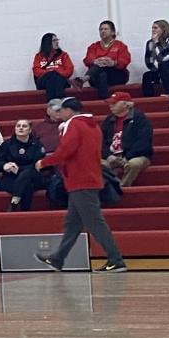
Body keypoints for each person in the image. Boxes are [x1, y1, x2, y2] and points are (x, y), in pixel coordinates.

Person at [37, 97, 128, 272]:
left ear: (69, 111)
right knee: (72, 223)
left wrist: (44, 162)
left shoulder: (74, 124)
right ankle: (57, 259)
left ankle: (116, 259)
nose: (59, 113)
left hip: (81, 180)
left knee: (95, 222)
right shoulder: (92, 125)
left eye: (61, 110)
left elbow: (66, 150)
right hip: (88, 177)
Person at [100, 89, 154, 188]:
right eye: (110, 103)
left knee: (133, 164)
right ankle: (113, 184)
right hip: (112, 155)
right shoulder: (108, 120)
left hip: (136, 155)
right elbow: (101, 141)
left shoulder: (139, 118)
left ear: (125, 104)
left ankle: (122, 186)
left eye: (114, 103)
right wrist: (107, 155)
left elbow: (143, 142)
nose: (111, 106)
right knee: (96, 164)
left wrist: (127, 157)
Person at [0, 117, 48, 210]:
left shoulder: (37, 145)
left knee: (28, 173)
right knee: (27, 185)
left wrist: (19, 170)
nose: (21, 128)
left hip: (33, 176)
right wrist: (4, 166)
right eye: (18, 126)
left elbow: (38, 165)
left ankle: (15, 202)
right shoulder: (7, 144)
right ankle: (23, 210)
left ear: (30, 130)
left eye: (24, 126)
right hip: (11, 177)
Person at [81, 20, 131, 99]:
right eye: (101, 29)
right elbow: (87, 60)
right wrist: (95, 61)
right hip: (97, 76)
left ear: (112, 32)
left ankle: (84, 79)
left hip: (116, 74)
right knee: (101, 72)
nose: (103, 31)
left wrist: (113, 63)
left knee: (101, 71)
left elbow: (125, 60)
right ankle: (105, 99)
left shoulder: (120, 45)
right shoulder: (94, 46)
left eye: (105, 29)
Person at [33, 33, 73, 102]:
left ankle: (52, 102)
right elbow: (36, 71)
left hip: (61, 80)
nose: (57, 42)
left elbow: (69, 70)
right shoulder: (39, 56)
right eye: (54, 40)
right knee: (51, 76)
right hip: (44, 81)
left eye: (57, 40)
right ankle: (59, 101)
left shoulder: (63, 55)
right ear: (47, 42)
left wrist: (55, 71)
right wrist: (50, 71)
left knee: (55, 76)